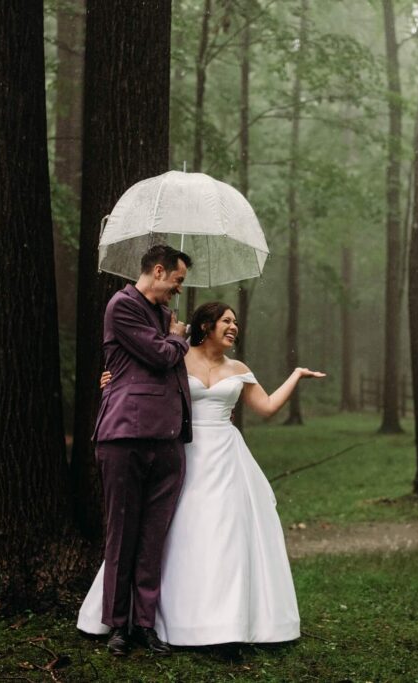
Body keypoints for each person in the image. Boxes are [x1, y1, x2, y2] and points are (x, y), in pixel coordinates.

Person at [79, 301, 324, 647]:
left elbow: (267, 407)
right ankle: (144, 616)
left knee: (225, 534)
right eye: (226, 320)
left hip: (226, 455)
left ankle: (225, 620)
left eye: (235, 322)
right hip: (183, 451)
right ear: (206, 325)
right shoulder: (176, 357)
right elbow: (141, 383)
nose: (234, 326)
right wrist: (112, 382)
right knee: (172, 531)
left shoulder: (238, 368)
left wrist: (296, 375)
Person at [90, 245, 193, 657]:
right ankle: (118, 626)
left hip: (167, 439)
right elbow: (161, 354)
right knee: (122, 534)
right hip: (124, 437)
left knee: (153, 538)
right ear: (157, 271)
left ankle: (145, 624)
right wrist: (177, 339)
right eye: (178, 281)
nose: (178, 291)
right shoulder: (123, 306)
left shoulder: (164, 316)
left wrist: (173, 334)